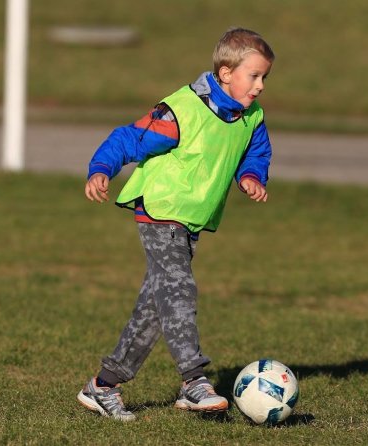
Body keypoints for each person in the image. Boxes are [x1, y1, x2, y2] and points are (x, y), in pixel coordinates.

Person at [76, 27, 274, 421]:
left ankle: (102, 386)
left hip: (191, 219)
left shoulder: (250, 117)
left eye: (265, 77)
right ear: (225, 73)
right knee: (180, 288)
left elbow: (256, 150)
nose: (261, 86)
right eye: (253, 76)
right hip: (160, 210)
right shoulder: (182, 111)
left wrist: (251, 176)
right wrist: (102, 168)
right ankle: (193, 381)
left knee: (155, 305)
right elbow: (128, 138)